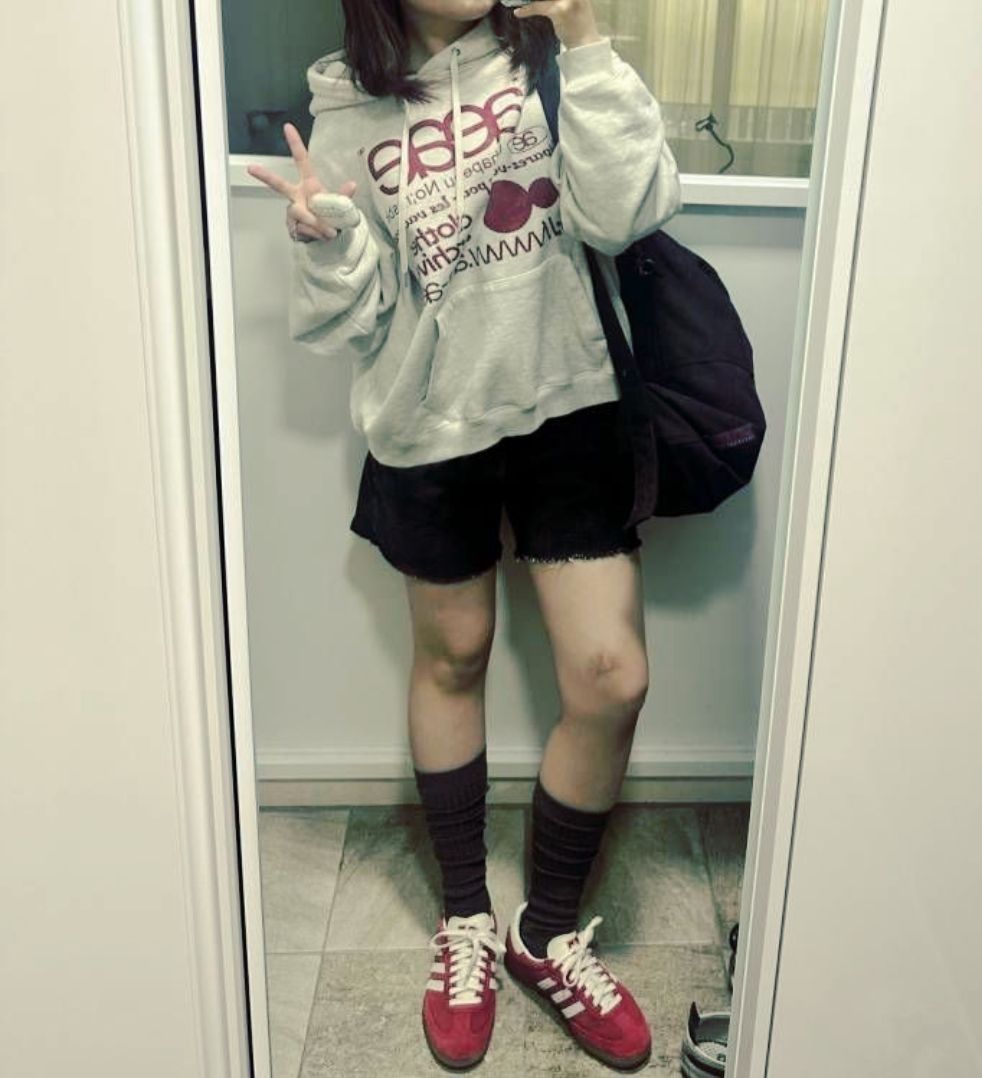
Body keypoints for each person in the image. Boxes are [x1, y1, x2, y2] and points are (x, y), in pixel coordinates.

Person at [248, 0, 681, 1069]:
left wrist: (585, 38)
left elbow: (626, 212)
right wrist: (329, 241)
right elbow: (354, 318)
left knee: (611, 676)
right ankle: (465, 919)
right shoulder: (347, 109)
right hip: (428, 425)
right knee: (453, 657)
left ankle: (545, 932)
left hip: (569, 404)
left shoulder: (549, 57)